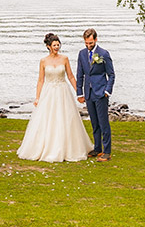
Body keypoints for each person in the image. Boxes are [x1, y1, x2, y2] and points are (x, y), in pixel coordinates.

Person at [18, 33, 92, 163]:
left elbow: (70, 76)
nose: (57, 47)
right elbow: (41, 80)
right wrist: (37, 97)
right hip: (49, 93)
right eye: (54, 45)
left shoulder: (64, 59)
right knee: (48, 120)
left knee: (66, 118)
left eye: (58, 45)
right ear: (48, 46)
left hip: (63, 92)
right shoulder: (43, 61)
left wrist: (78, 92)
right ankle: (47, 147)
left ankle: (68, 148)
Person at [76, 28, 115, 162]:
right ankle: (97, 148)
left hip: (101, 92)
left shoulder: (103, 53)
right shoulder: (81, 54)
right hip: (88, 93)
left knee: (104, 123)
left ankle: (107, 151)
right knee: (94, 122)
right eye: (86, 43)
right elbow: (80, 74)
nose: (88, 46)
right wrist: (79, 93)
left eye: (91, 43)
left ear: (96, 39)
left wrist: (107, 91)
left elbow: (111, 74)